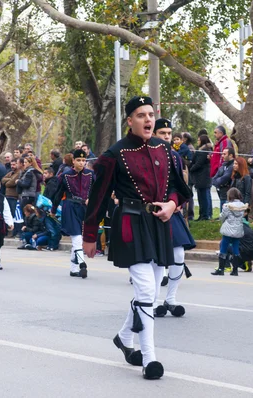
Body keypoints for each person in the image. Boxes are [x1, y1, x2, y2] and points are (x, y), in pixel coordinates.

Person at [81, 96, 191, 380]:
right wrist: (90, 235)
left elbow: (179, 189)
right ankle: (150, 359)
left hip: (159, 224)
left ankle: (123, 338)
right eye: (141, 115)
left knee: (151, 292)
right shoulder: (113, 155)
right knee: (145, 292)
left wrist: (171, 205)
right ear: (129, 120)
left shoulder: (165, 149)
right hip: (129, 222)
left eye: (151, 114)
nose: (148, 120)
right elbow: (98, 197)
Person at [152, 119, 196, 317]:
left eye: (169, 133)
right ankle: (151, 301)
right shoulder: (144, 154)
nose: (167, 136)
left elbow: (180, 184)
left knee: (178, 255)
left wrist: (178, 203)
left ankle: (170, 298)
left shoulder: (176, 157)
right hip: (151, 211)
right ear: (153, 134)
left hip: (172, 210)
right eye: (162, 133)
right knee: (155, 258)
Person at [52, 149, 94, 278]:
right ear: (73, 161)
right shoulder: (65, 175)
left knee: (80, 237)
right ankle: (82, 264)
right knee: (77, 237)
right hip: (70, 207)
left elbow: (97, 191)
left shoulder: (91, 175)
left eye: (83, 160)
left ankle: (73, 268)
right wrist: (53, 209)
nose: (81, 163)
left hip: (85, 208)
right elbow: (58, 193)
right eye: (79, 160)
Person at [211, 188, 248, 276]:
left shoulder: (227, 206)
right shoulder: (242, 205)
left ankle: (221, 269)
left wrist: (221, 217)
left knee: (223, 247)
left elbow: (222, 217)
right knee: (236, 248)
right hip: (238, 229)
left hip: (228, 229)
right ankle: (235, 270)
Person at [190, 135, 213, 221]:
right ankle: (202, 214)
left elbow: (199, 163)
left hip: (203, 176)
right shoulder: (204, 150)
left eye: (199, 140)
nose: (198, 142)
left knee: (204, 196)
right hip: (202, 176)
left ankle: (205, 215)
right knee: (201, 196)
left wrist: (191, 169)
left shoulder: (203, 150)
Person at [2, 159, 21, 236]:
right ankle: (7, 231)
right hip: (7, 196)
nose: (12, 166)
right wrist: (10, 179)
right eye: (11, 164)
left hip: (14, 196)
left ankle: (13, 232)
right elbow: (3, 180)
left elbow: (10, 183)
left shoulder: (19, 173)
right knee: (7, 214)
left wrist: (9, 181)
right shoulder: (10, 173)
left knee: (13, 214)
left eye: (14, 164)